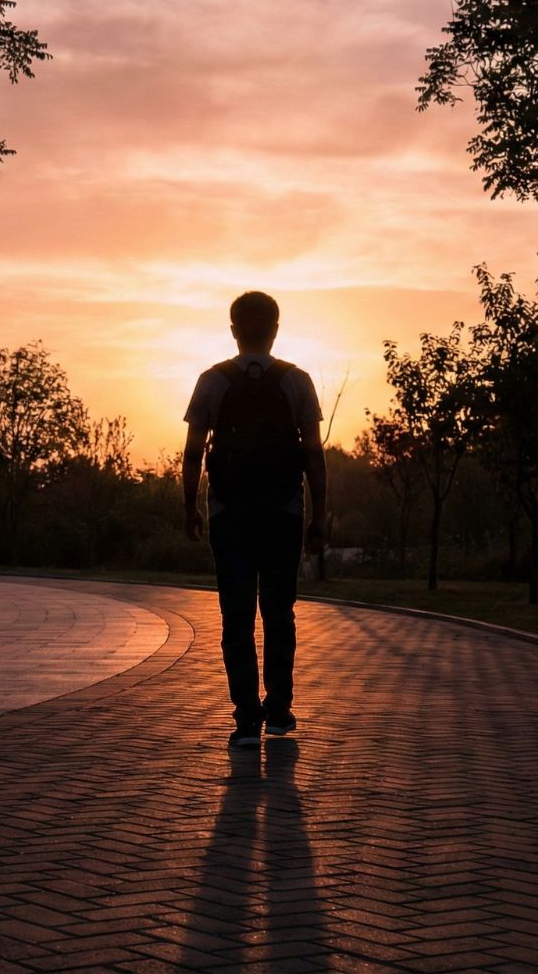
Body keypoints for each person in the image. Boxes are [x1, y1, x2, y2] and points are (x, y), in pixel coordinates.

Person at [183, 291, 328, 750]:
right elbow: (314, 455)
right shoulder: (297, 381)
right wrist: (319, 513)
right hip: (284, 511)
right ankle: (280, 711)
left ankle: (247, 718)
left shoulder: (211, 381)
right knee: (279, 614)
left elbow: (191, 455)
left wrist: (191, 507)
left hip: (228, 512)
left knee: (236, 616)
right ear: (276, 329)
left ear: (233, 330)